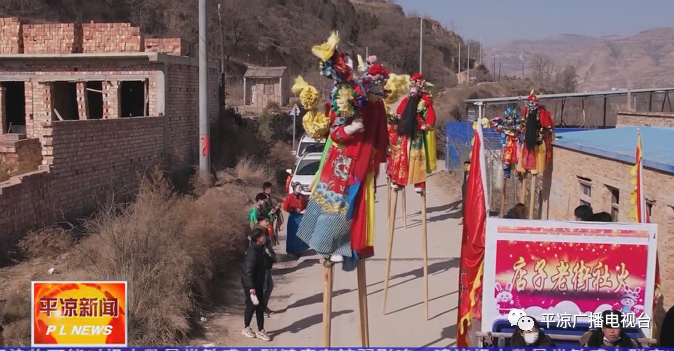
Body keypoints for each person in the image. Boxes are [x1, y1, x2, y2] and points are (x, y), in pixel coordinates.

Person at [241, 228, 273, 341]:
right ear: (258, 238)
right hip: (251, 284)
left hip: (258, 282)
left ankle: (261, 330)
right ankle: (246, 328)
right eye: (263, 235)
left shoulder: (261, 249)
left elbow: (270, 261)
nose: (265, 237)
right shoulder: (251, 253)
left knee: (260, 307)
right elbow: (248, 272)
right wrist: (251, 287)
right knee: (252, 305)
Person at [283, 183, 309, 257]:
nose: (300, 189)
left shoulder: (303, 197)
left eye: (301, 187)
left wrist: (304, 210)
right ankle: (291, 251)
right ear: (294, 188)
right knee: (292, 234)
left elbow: (306, 206)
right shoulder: (290, 197)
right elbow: (285, 207)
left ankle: (299, 250)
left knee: (300, 234)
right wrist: (293, 210)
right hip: (293, 218)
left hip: (301, 217)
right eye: (299, 187)